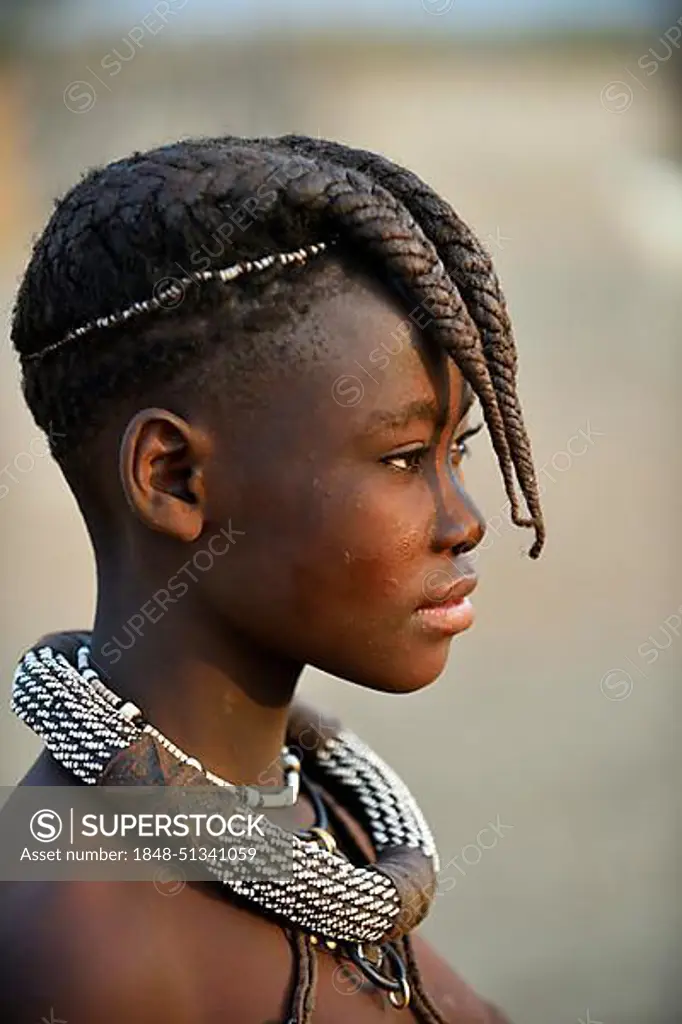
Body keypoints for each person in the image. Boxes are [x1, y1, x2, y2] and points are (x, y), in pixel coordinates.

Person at [0, 135, 544, 1023]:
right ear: (174, 478)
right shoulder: (82, 950)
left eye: (459, 452)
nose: (466, 519)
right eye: (407, 458)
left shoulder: (325, 819)